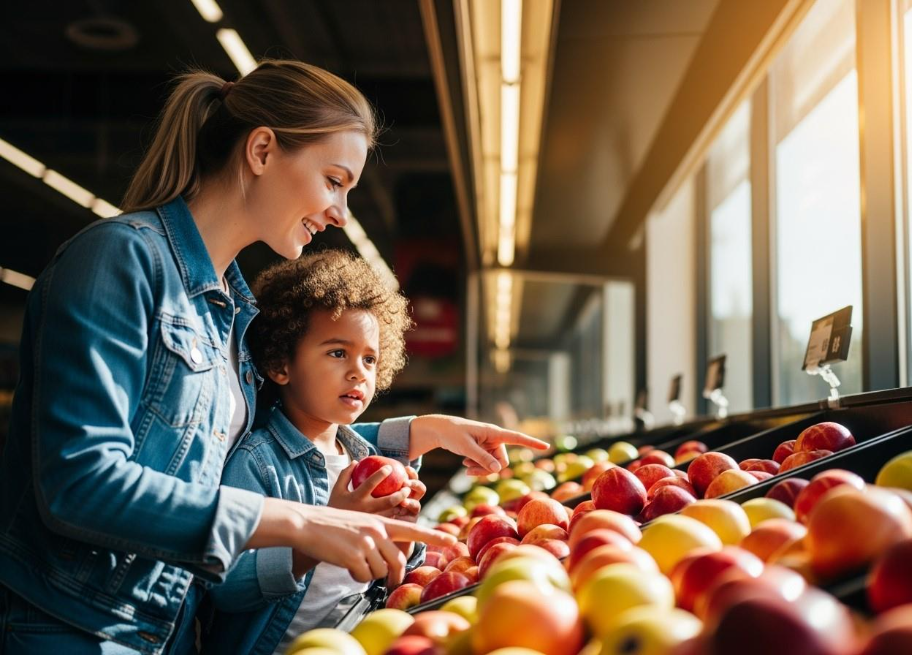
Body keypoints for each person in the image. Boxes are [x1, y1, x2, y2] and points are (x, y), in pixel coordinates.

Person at [0, 59, 547, 654]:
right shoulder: (119, 262)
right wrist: (300, 523)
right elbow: (79, 481)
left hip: (167, 634)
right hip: (73, 629)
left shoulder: (232, 309)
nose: (341, 211)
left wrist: (414, 432)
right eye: (334, 180)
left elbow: (259, 437)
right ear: (261, 151)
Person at [202, 250, 425, 654]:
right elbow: (226, 588)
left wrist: (400, 545)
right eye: (338, 353)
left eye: (370, 359)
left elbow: (376, 582)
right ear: (280, 363)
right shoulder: (258, 462)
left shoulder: (366, 459)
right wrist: (320, 534)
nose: (359, 371)